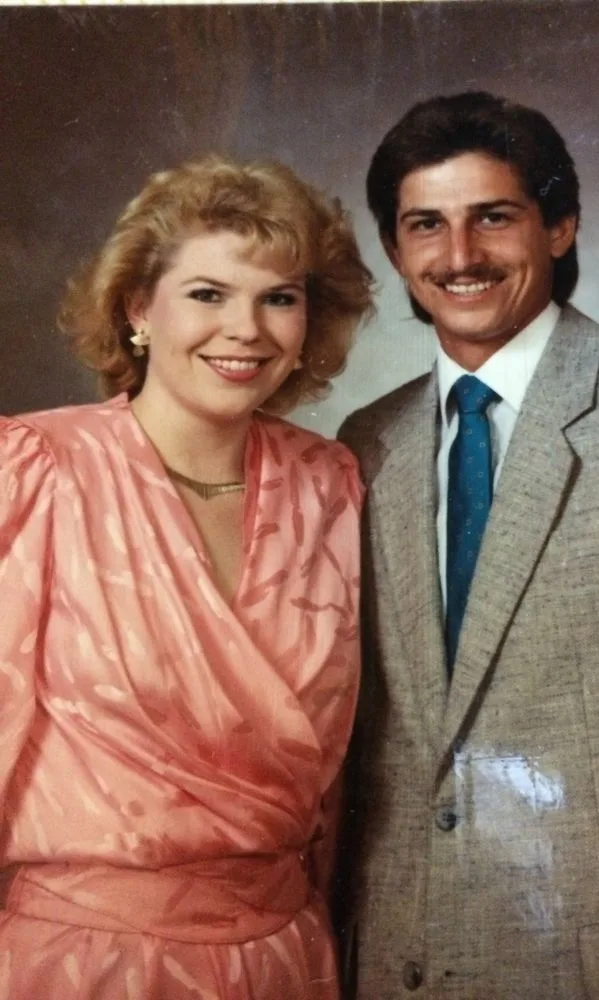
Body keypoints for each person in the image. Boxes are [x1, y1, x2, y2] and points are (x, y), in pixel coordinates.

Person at [338, 91, 599, 999]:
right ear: (397, 250)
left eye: (494, 217)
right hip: (400, 964)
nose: (460, 257)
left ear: (560, 226)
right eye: (426, 226)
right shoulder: (366, 443)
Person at [0, 155, 372, 999]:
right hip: (87, 966)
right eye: (208, 294)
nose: (246, 329)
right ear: (139, 307)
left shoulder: (329, 485)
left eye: (279, 298)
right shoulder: (34, 469)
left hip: (286, 960)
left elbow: (341, 779)